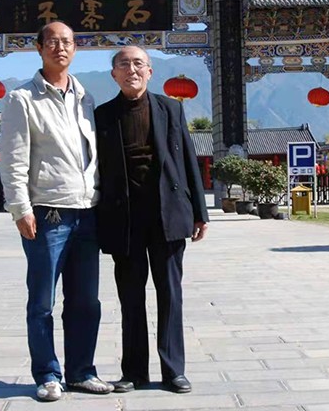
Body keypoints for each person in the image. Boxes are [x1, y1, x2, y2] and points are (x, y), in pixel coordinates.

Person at [0, 21, 113, 402]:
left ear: (75, 49)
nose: (60, 48)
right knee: (42, 302)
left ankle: (81, 371)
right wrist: (20, 208)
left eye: (67, 42)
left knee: (86, 302)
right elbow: (13, 159)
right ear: (39, 48)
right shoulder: (22, 99)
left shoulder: (86, 98)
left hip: (86, 212)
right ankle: (48, 374)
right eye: (52, 42)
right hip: (48, 214)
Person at [94, 45, 209, 394]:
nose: (131, 70)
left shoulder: (171, 108)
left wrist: (200, 212)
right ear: (114, 74)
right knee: (130, 297)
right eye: (124, 64)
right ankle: (134, 372)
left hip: (167, 213)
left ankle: (174, 370)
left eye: (138, 64)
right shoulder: (102, 115)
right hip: (124, 216)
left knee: (170, 293)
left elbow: (188, 159)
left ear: (149, 72)